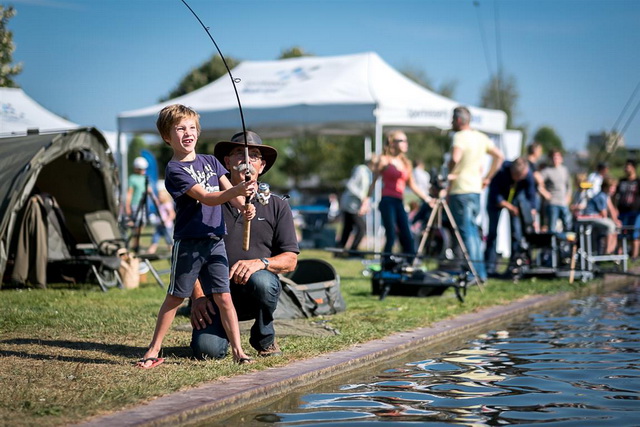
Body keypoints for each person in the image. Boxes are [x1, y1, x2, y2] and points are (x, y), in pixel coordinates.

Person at [137, 105, 257, 368]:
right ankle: (153, 349)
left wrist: (243, 204)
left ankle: (239, 351)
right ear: (167, 137)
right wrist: (239, 188)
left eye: (191, 127)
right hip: (189, 243)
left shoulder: (211, 161)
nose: (187, 133)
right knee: (176, 296)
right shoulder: (174, 170)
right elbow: (208, 197)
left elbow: (229, 194)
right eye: (180, 128)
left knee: (224, 296)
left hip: (215, 240)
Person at [190, 131, 299, 360]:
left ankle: (264, 338)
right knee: (207, 352)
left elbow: (290, 260)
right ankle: (222, 334)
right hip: (214, 296)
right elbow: (188, 255)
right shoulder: (209, 201)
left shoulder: (278, 205)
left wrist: (260, 263)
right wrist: (197, 297)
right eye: (240, 152)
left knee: (263, 281)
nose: (247, 159)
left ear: (262, 165)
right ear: (227, 162)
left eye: (254, 155)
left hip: (254, 292)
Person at [447, 106, 504, 283]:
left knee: (467, 233)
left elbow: (455, 159)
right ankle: (480, 272)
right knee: (473, 232)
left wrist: (449, 172)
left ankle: (476, 273)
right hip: (475, 190)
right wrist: (487, 177)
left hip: (461, 190)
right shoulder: (481, 137)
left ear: (458, 120)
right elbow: (499, 156)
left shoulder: (459, 137)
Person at [362, 130, 432, 261]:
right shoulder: (384, 160)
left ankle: (410, 262)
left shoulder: (406, 163)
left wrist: (428, 199)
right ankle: (386, 264)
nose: (406, 144)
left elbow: (413, 185)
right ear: (392, 143)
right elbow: (373, 182)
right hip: (387, 201)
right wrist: (366, 201)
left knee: (406, 233)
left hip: (399, 201)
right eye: (402, 141)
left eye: (406, 141)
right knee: (391, 234)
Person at [484, 157, 536, 276]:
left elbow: (531, 194)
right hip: (497, 201)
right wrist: (510, 207)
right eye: (517, 176)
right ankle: (490, 267)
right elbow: (495, 196)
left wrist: (532, 211)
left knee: (516, 233)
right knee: (492, 233)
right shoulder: (500, 171)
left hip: (515, 198)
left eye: (521, 176)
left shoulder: (527, 174)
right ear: (512, 172)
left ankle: (514, 265)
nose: (519, 179)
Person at [338, 157, 375, 252]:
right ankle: (353, 250)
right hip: (351, 205)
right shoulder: (361, 170)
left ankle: (339, 250)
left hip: (355, 205)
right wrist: (362, 197)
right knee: (361, 228)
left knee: (348, 228)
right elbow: (351, 185)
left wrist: (367, 204)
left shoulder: (369, 173)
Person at [577, 177, 620, 255]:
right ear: (605, 187)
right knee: (611, 225)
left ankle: (611, 251)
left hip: (597, 217)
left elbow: (611, 210)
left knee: (615, 226)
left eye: (614, 188)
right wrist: (614, 221)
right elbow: (604, 214)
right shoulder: (601, 196)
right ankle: (607, 252)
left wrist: (616, 220)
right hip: (590, 217)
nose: (613, 190)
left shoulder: (606, 196)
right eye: (612, 187)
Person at [539, 149, 572, 234]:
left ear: (561, 159)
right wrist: (545, 194)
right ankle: (551, 246)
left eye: (557, 157)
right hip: (552, 203)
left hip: (563, 203)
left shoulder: (564, 170)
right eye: (554, 157)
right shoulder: (546, 171)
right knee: (552, 227)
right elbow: (538, 184)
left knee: (568, 226)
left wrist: (568, 197)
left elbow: (569, 186)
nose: (555, 159)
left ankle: (567, 246)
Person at [614, 159, 640, 258]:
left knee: (635, 234)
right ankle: (619, 257)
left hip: (636, 212)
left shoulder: (638, 182)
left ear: (633, 168)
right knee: (620, 234)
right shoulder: (621, 181)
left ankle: (634, 256)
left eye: (628, 166)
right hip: (622, 211)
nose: (626, 168)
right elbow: (614, 196)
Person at [147, 186, 175, 254]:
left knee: (169, 240)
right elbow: (154, 199)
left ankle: (172, 252)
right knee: (155, 238)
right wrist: (150, 192)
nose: (159, 197)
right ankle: (150, 251)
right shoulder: (160, 204)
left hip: (167, 226)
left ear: (165, 197)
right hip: (159, 225)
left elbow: (172, 214)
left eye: (161, 196)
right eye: (159, 195)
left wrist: (166, 221)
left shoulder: (167, 205)